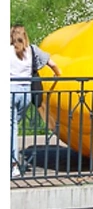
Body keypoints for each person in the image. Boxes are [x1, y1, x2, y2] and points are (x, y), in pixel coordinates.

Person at [10, 25, 60, 178]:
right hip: (25, 93)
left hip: (9, 91)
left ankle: (12, 165)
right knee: (13, 126)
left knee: (11, 128)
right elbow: (52, 64)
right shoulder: (32, 50)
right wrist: (57, 75)